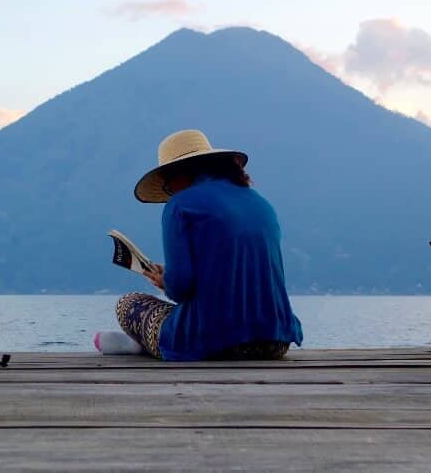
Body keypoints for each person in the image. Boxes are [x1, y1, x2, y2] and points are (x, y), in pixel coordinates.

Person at [95, 129, 303, 361]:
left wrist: (166, 281)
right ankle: (142, 344)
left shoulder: (180, 205)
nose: (169, 190)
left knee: (128, 303)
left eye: (167, 183)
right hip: (275, 341)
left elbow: (180, 288)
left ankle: (142, 344)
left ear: (178, 173)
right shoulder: (262, 204)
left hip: (213, 342)